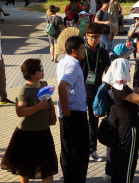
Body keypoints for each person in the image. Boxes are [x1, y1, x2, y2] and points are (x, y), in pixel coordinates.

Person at [1, 58, 58, 182]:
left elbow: (48, 100)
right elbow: (19, 112)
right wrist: (38, 107)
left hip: (43, 132)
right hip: (27, 133)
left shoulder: (44, 84)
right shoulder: (24, 90)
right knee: (25, 166)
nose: (43, 70)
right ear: (31, 73)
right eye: (40, 69)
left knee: (47, 165)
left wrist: (52, 113)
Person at [104, 58, 139, 183]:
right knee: (128, 161)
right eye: (127, 68)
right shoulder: (121, 88)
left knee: (121, 160)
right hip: (129, 127)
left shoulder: (118, 86)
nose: (129, 70)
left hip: (124, 127)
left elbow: (135, 94)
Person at [56, 36, 90, 182]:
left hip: (67, 112)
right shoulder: (74, 66)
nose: (84, 51)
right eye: (82, 49)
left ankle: (68, 179)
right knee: (81, 150)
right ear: (74, 51)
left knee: (67, 149)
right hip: (74, 112)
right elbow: (62, 85)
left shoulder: (62, 62)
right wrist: (66, 109)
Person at [79, 23, 111, 163]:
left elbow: (108, 72)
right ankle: (81, 150)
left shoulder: (103, 52)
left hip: (96, 94)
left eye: (96, 37)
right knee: (81, 123)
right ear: (86, 36)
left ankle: (93, 150)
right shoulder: (80, 52)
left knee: (94, 123)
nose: (94, 39)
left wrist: (109, 87)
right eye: (91, 36)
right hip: (80, 93)